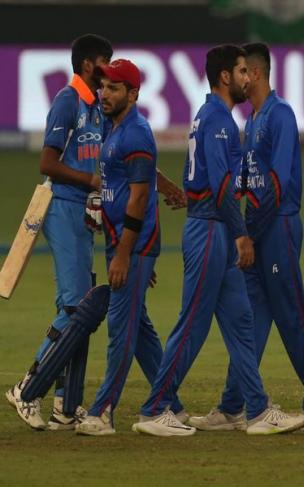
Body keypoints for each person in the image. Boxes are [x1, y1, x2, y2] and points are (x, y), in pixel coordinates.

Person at [132, 44, 304, 437]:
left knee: (241, 322)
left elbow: (205, 175)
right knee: (193, 323)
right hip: (211, 230)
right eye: (242, 71)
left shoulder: (212, 117)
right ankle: (154, 409)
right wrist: (242, 233)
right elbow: (221, 185)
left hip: (215, 227)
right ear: (226, 76)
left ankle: (257, 410)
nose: (248, 78)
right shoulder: (218, 120)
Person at [188, 42, 304, 432]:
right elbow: (245, 180)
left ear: (253, 73)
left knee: (289, 314)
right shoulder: (253, 120)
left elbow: (279, 184)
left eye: (243, 70)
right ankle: (233, 406)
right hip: (255, 228)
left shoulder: (279, 115)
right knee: (249, 319)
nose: (240, 77)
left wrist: (251, 232)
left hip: (278, 226)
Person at [5, 34, 112, 430]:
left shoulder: (96, 106)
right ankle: (26, 387)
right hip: (63, 207)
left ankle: (65, 405)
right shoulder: (68, 101)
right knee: (74, 308)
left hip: (82, 212)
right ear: (86, 65)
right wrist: (90, 181)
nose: (109, 70)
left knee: (80, 306)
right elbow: (47, 163)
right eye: (104, 62)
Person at [75, 59, 185, 435]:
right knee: (139, 330)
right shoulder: (114, 126)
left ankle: (101, 412)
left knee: (121, 329)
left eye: (114, 88)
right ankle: (171, 404)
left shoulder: (136, 132)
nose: (104, 94)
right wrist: (167, 186)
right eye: (103, 86)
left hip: (131, 244)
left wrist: (126, 255)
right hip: (121, 242)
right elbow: (133, 174)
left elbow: (138, 199)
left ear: (133, 94)